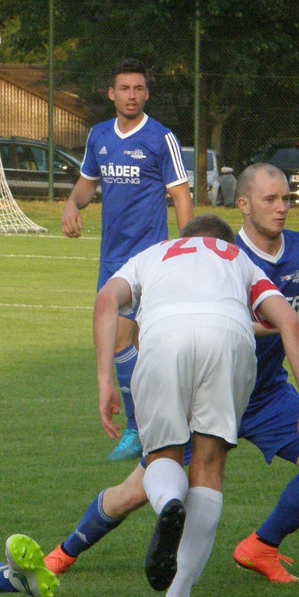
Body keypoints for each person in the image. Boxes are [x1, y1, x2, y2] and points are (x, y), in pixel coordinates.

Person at [45, 163, 299, 592]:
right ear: (243, 205)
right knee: (136, 492)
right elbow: (223, 321)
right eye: (270, 200)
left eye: (286, 198)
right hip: (206, 393)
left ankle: (260, 546)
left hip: (267, 393)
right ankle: (65, 552)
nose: (281, 208)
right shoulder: (220, 255)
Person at [94, 213, 299, 597]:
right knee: (209, 464)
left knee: (162, 456)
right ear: (225, 243)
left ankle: (168, 502)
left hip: (164, 337)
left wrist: (105, 381)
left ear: (183, 239)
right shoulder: (238, 259)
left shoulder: (154, 253)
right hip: (229, 338)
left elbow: (106, 300)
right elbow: (289, 322)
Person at [62, 58, 193, 461]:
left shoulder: (161, 138)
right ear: (111, 94)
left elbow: (181, 196)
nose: (131, 96)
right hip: (111, 259)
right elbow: (87, 184)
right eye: (124, 89)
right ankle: (158, 422)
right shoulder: (99, 136)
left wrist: (188, 249)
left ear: (146, 94)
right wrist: (71, 204)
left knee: (124, 341)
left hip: (149, 258)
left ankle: (140, 427)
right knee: (134, 344)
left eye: (138, 89)